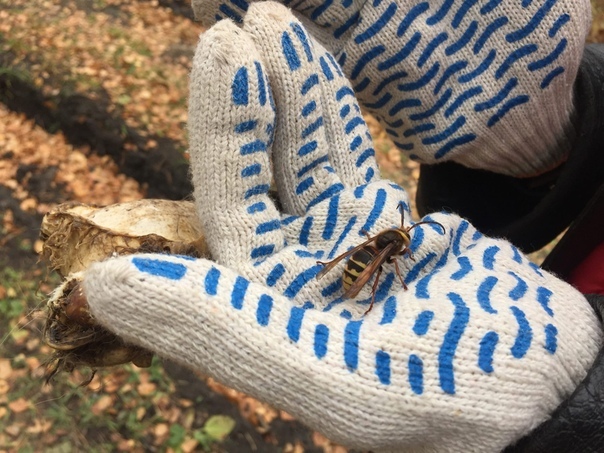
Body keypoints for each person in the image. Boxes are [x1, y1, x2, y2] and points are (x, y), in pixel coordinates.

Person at [83, 1, 604, 451]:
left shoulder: (391, 245)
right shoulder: (391, 244)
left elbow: (388, 254)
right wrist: (553, 139)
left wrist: (569, 414)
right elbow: (388, 252)